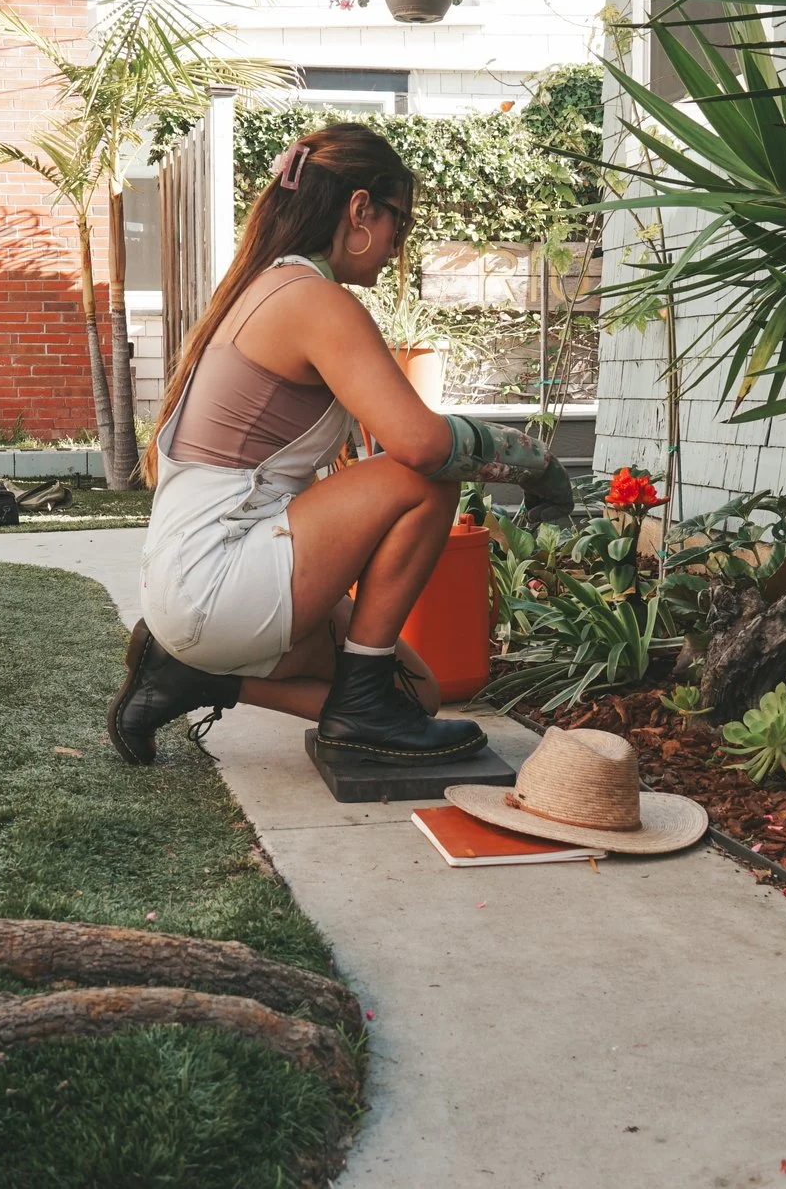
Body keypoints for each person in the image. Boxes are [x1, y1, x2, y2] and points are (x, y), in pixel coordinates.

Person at [108, 122, 573, 766]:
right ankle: (352, 706)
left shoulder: (268, 285)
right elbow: (420, 444)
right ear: (360, 209)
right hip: (220, 579)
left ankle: (195, 676)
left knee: (420, 699)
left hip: (199, 581)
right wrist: (539, 466)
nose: (394, 248)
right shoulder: (310, 298)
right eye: (398, 226)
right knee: (427, 475)